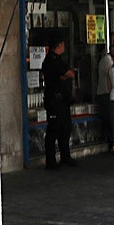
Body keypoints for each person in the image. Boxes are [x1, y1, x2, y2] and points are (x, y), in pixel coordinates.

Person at [42, 38, 77, 169]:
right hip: (55, 100)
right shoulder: (53, 60)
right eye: (63, 44)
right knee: (54, 129)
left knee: (65, 128)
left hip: (62, 100)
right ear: (59, 45)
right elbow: (70, 73)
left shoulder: (54, 60)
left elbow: (65, 74)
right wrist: (64, 76)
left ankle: (65, 156)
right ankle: (51, 160)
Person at [97, 31, 114, 152]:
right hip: (105, 93)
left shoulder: (110, 60)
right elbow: (113, 75)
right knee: (109, 119)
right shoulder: (107, 60)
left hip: (108, 93)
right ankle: (110, 141)